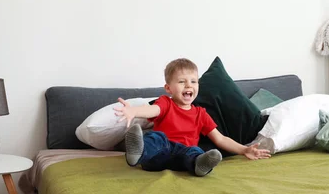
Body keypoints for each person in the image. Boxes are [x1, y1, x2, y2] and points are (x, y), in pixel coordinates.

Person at [114, 58, 271, 176]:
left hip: (183, 156)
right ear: (168, 88)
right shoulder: (166, 103)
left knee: (195, 150)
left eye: (193, 81)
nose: (189, 85)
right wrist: (134, 111)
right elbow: (153, 110)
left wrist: (244, 149)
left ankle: (199, 165)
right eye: (182, 82)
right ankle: (139, 153)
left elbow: (220, 139)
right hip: (159, 154)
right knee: (156, 137)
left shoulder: (201, 114)